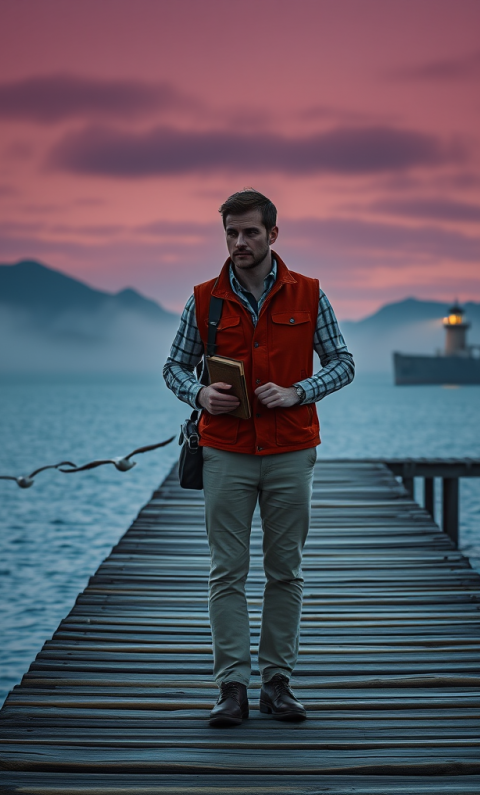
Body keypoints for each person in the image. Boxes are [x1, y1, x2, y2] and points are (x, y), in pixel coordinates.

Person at [163, 189, 355, 726]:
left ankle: (277, 683)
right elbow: (174, 368)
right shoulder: (203, 299)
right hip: (225, 452)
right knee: (227, 572)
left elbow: (343, 362)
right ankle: (232, 687)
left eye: (250, 232)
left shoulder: (309, 294)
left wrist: (301, 390)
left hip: (292, 449)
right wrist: (199, 395)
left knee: (284, 570)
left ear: (273, 234)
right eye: (231, 233)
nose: (239, 242)